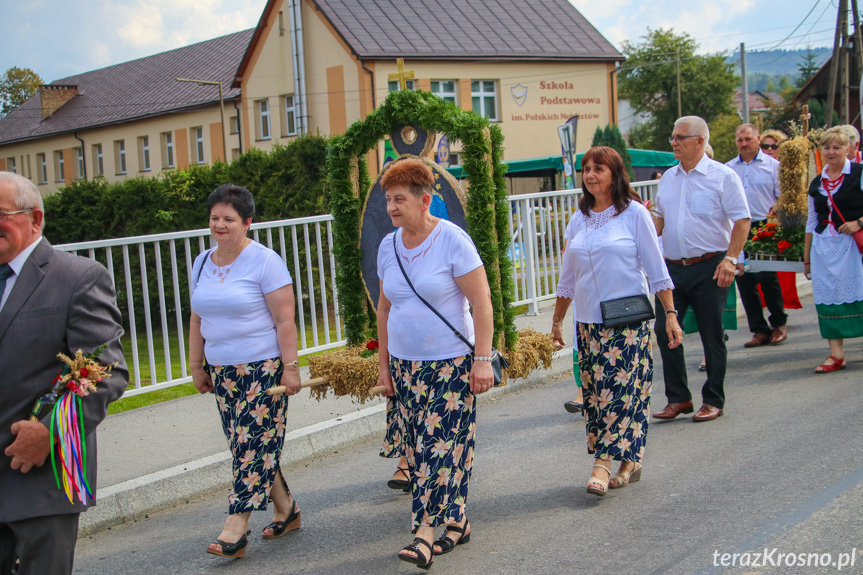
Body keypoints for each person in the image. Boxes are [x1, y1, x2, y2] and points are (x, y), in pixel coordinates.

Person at [0, 171, 128, 575]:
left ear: (35, 219)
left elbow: (102, 368)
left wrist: (48, 430)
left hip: (39, 474)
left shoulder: (77, 277)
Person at [375, 158, 494, 570]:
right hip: (407, 368)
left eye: (400, 199)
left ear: (425, 200)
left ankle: (424, 533)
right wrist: (384, 367)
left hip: (450, 364)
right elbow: (384, 308)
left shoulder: (452, 241)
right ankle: (456, 521)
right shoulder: (387, 246)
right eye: (389, 199)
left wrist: (482, 361)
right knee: (422, 449)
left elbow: (481, 303)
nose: (392, 207)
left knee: (437, 450)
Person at [551, 147, 681, 496]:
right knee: (597, 396)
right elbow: (568, 276)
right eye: (586, 170)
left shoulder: (634, 214)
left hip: (626, 323)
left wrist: (670, 314)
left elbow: (656, 270)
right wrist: (557, 321)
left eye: (599, 169)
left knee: (620, 393)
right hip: (589, 323)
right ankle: (630, 460)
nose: (591, 175)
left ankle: (602, 464)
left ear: (615, 174)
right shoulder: (578, 219)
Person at [189, 184, 302, 559]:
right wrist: (196, 364)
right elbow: (197, 315)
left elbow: (285, 319)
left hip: (262, 370)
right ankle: (286, 509)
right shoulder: (202, 262)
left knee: (252, 445)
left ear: (247, 223)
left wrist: (290, 368)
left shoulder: (265, 261)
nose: (220, 225)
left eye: (229, 219)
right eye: (214, 218)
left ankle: (235, 528)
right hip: (222, 372)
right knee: (247, 446)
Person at [652, 116, 751, 423]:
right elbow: (659, 220)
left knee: (711, 334)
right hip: (672, 268)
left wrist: (730, 259)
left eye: (680, 137)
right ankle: (679, 398)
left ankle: (713, 399)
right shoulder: (668, 177)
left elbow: (743, 220)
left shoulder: (723, 176)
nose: (673, 143)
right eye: (672, 137)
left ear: (699, 141)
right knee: (664, 330)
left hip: (710, 265)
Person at [804, 127, 863, 373]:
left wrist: (859, 222)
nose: (831, 152)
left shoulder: (859, 174)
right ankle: (836, 354)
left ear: (848, 149)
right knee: (827, 297)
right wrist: (806, 257)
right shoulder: (817, 182)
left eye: (837, 147)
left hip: (853, 247)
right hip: (824, 248)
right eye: (827, 147)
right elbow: (811, 219)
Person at [727, 123, 788, 347]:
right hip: (738, 226)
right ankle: (759, 329)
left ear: (758, 139)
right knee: (744, 279)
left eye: (748, 139)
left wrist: (777, 214)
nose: (744, 144)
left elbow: (782, 196)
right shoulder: (729, 168)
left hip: (765, 224)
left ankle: (779, 323)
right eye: (740, 140)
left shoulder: (773, 166)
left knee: (767, 277)